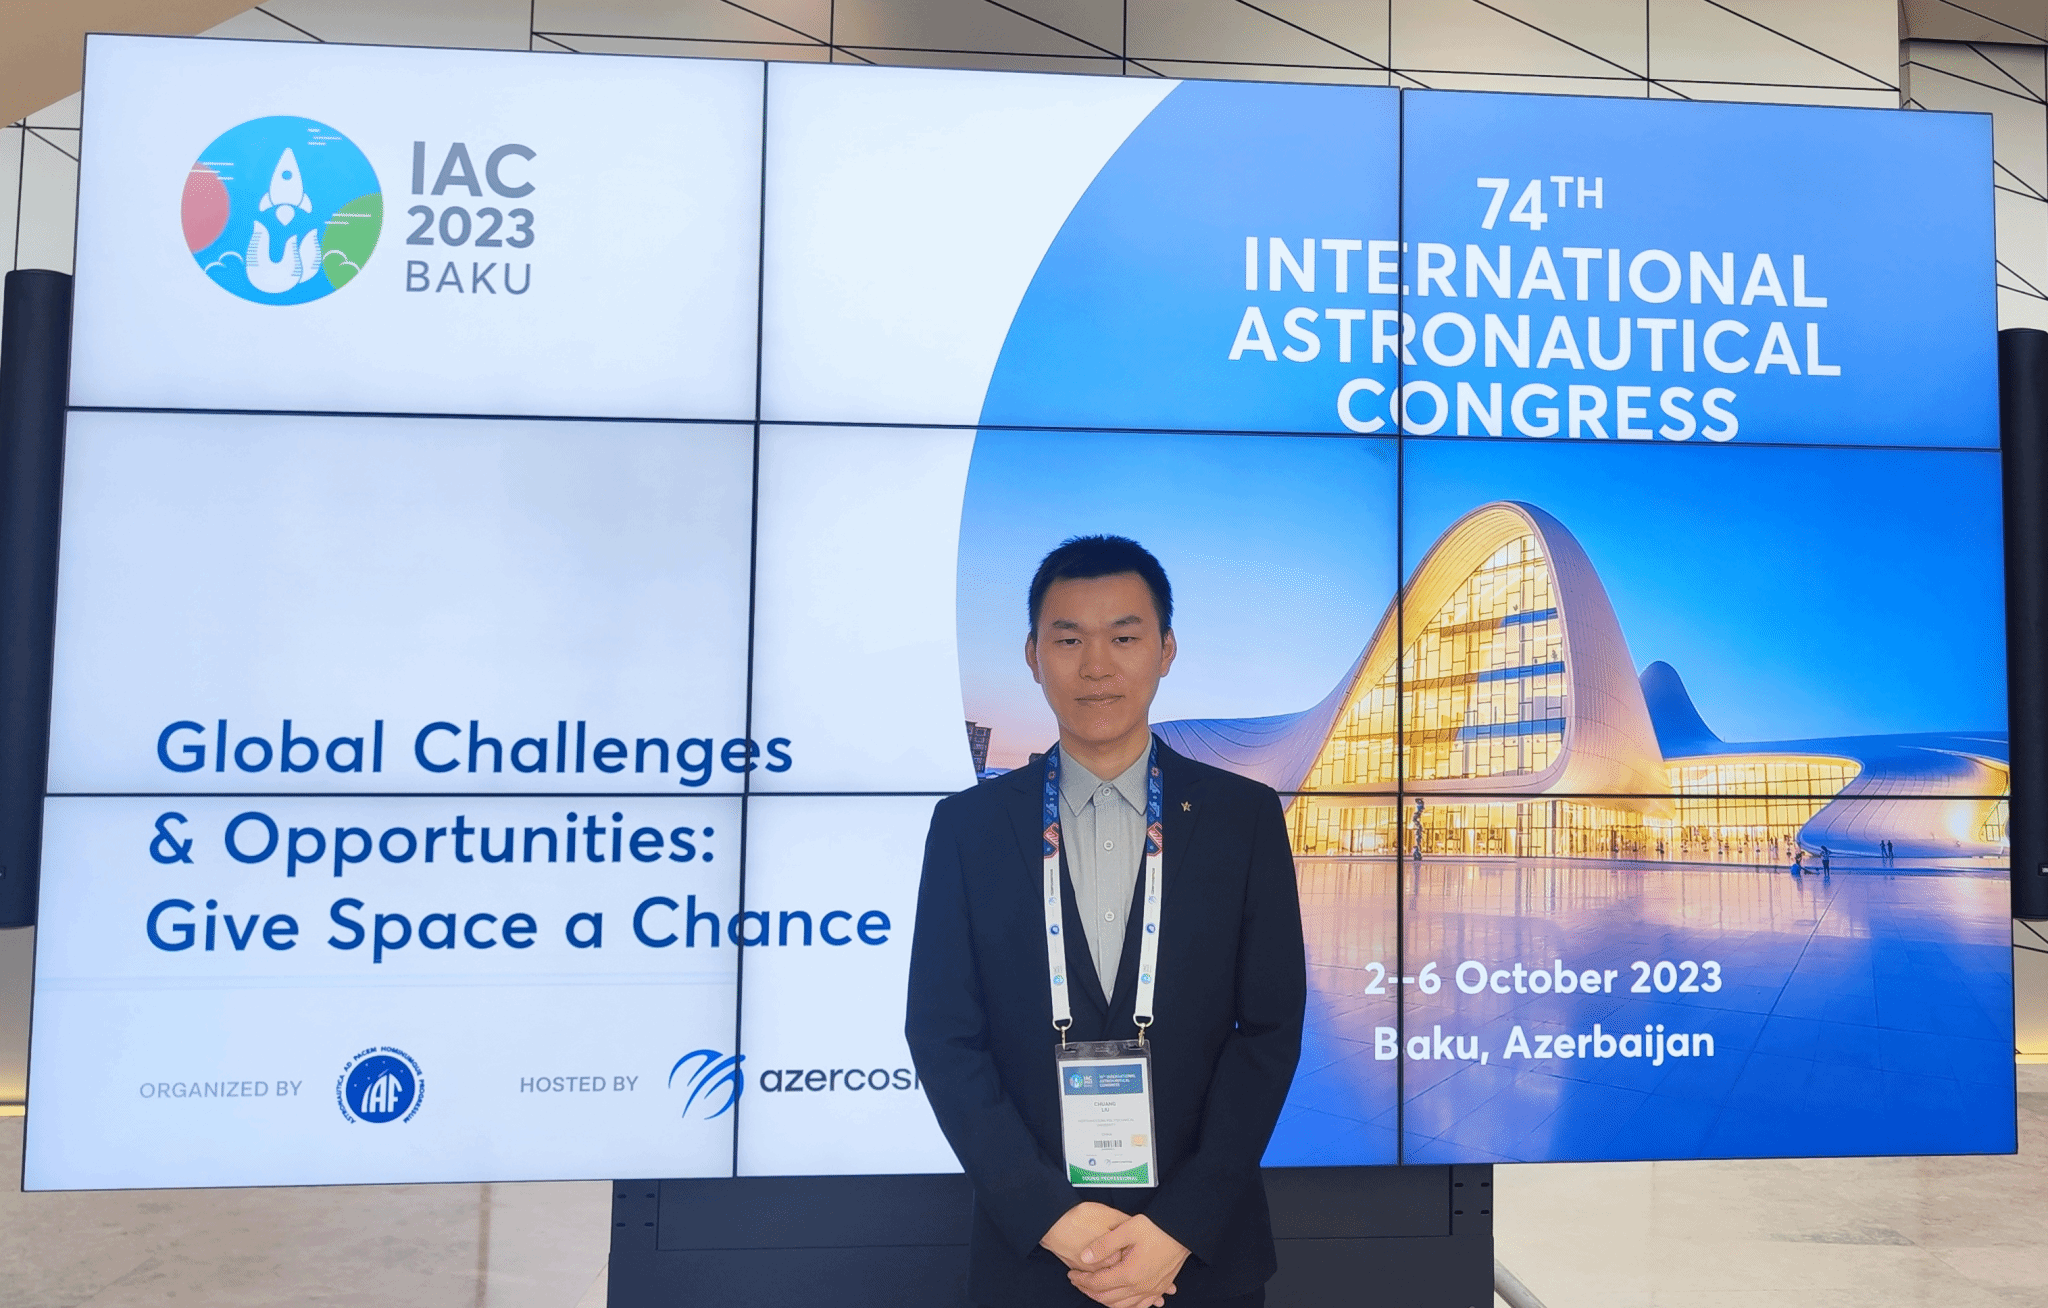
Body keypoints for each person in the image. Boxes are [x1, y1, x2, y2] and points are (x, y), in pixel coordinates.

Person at [907, 535, 1306, 1308]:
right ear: (1033, 655)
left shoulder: (1243, 819)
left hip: (1200, 1258)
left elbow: (1269, 1032)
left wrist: (1179, 1226)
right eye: (1069, 640)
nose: (1097, 666)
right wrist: (1052, 1217)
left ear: (1165, 650)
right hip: (1034, 1257)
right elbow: (942, 1033)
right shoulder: (968, 828)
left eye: (1124, 638)